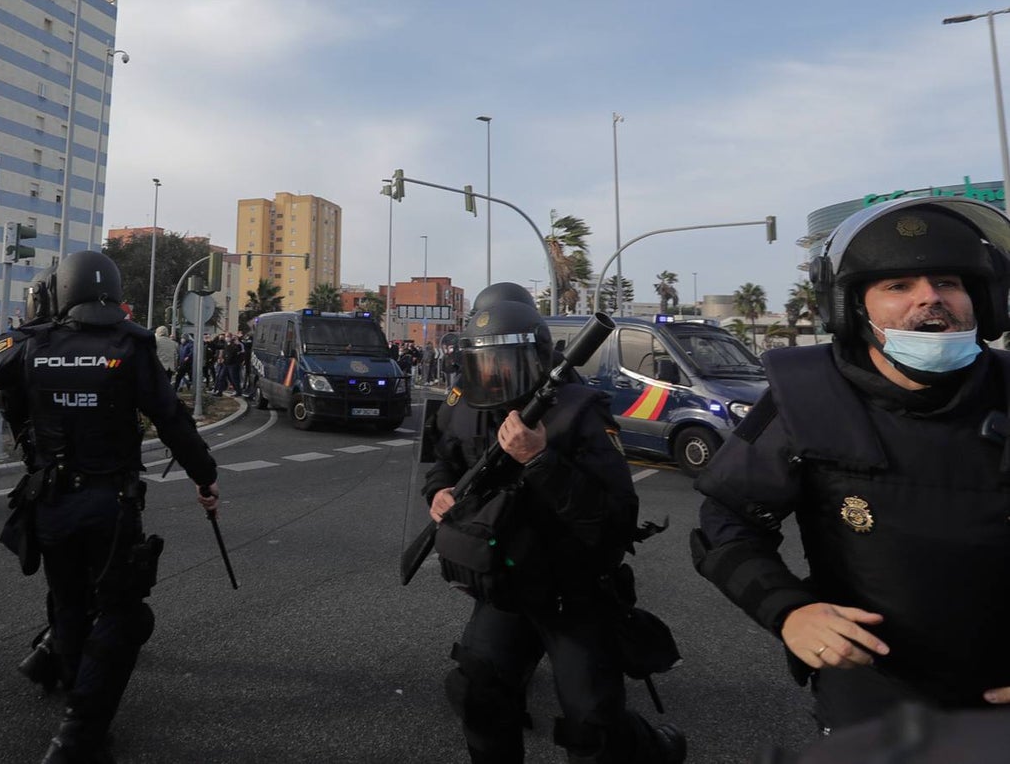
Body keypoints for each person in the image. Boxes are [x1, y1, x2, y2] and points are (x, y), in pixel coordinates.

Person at [690, 195, 1010, 735]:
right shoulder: (805, 397)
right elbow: (726, 522)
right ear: (852, 307)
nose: (930, 298)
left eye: (948, 282)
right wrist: (789, 610)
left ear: (981, 297)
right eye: (898, 285)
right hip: (875, 688)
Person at [0, 250, 220, 763]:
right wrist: (206, 479)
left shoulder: (27, 344)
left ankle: (61, 671)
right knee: (123, 615)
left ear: (60, 290)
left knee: (68, 602)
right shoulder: (132, 347)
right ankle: (78, 736)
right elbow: (173, 420)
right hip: (110, 504)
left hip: (51, 503)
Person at [424, 296, 685, 763]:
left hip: (573, 591)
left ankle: (656, 749)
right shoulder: (465, 405)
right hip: (507, 586)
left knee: (591, 726)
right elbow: (442, 464)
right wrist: (440, 494)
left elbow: (613, 516)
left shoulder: (580, 412)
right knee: (478, 695)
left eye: (506, 362)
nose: (495, 375)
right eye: (484, 362)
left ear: (538, 358)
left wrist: (540, 460)